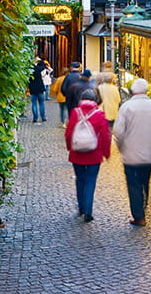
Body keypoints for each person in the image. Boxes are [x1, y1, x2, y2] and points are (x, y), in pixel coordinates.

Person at [113, 78, 151, 227]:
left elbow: (118, 132)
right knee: (145, 181)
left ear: (132, 91)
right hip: (149, 153)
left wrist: (121, 147)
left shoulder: (126, 107)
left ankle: (139, 216)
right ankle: (143, 205)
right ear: (146, 91)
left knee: (133, 184)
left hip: (130, 154)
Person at [64, 89, 110, 222]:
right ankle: (88, 211)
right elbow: (106, 136)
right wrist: (106, 153)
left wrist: (69, 147)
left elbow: (68, 133)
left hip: (77, 154)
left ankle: (81, 208)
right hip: (94, 155)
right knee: (90, 181)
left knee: (80, 180)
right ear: (95, 100)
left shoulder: (75, 112)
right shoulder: (100, 114)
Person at [28, 56, 48, 123]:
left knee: (34, 104)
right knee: (41, 103)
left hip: (33, 89)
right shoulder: (38, 68)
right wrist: (40, 60)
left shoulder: (30, 70)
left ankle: (35, 118)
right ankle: (43, 117)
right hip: (40, 88)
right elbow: (44, 65)